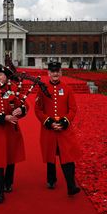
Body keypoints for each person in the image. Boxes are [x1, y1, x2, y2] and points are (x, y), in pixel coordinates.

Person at [34, 61, 82, 195]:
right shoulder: (42, 89)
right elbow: (38, 109)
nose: (55, 74)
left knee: (67, 156)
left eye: (57, 71)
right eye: (52, 71)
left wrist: (65, 121)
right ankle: (51, 179)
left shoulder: (67, 88)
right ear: (48, 73)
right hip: (49, 129)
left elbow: (73, 108)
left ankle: (71, 185)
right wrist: (48, 122)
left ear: (60, 73)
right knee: (50, 155)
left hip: (63, 129)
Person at [0, 63, 27, 204]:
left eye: (0, 75)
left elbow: (25, 104)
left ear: (5, 77)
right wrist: (4, 117)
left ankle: (8, 183)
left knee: (10, 158)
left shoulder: (13, 89)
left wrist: (21, 109)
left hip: (11, 131)